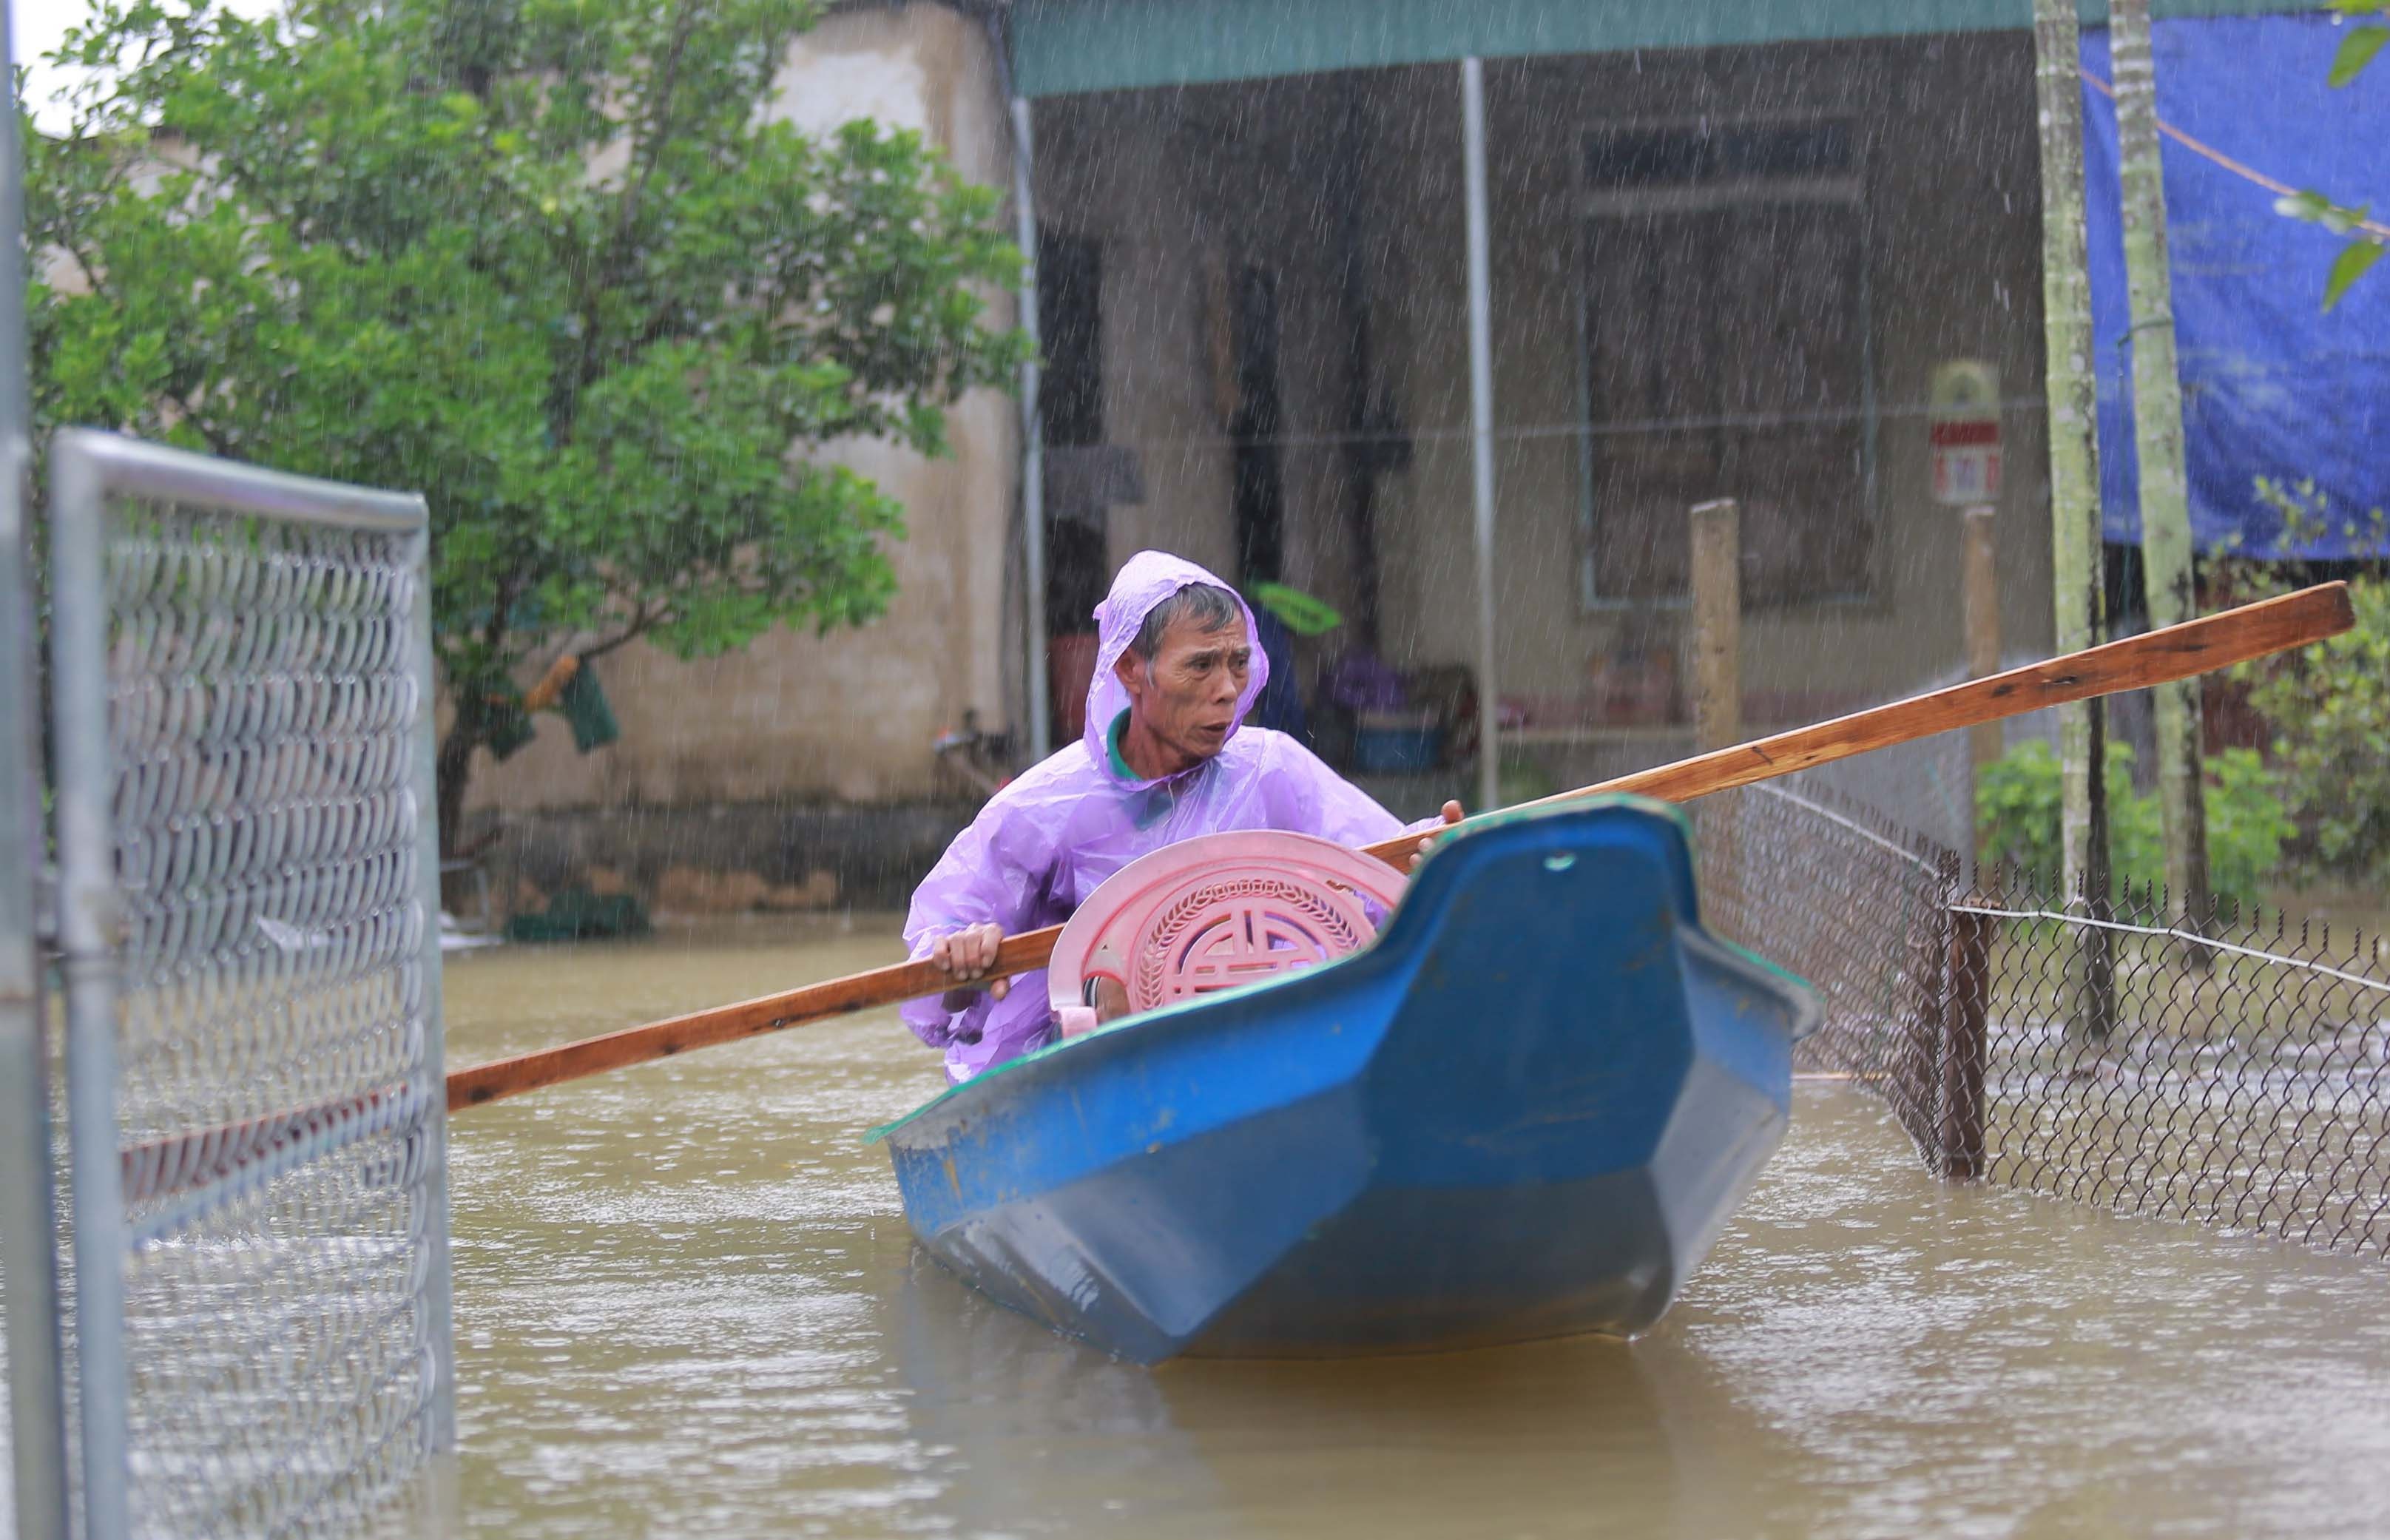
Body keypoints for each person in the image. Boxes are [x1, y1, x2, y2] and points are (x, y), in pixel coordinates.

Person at [902, 551, 1460, 1082]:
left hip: (1273, 1034)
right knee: (1117, 979)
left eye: (1237, 664)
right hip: (1095, 1069)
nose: (1226, 692)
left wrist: (1437, 858)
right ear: (1131, 669)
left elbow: (1383, 873)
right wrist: (959, 960)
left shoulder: (1273, 769)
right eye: (1200, 667)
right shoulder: (1041, 809)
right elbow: (936, 967)